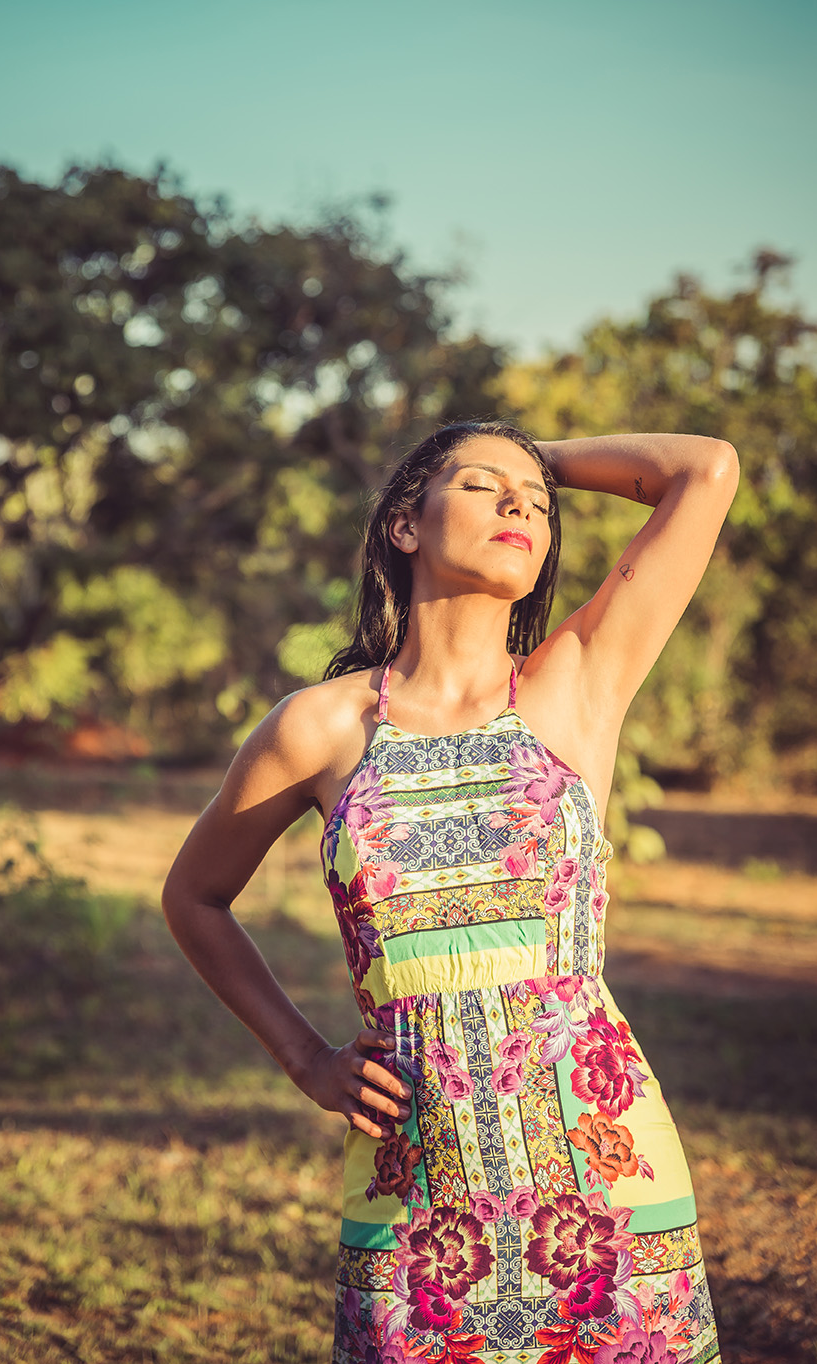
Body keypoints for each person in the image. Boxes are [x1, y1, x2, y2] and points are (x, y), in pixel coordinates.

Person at [162, 420, 738, 1363]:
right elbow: (194, 897)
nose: (520, 504)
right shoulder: (321, 726)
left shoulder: (575, 685)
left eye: (539, 504)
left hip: (611, 1189)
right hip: (415, 1200)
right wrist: (305, 1057)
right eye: (483, 488)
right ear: (403, 525)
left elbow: (705, 469)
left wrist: (520, 460)